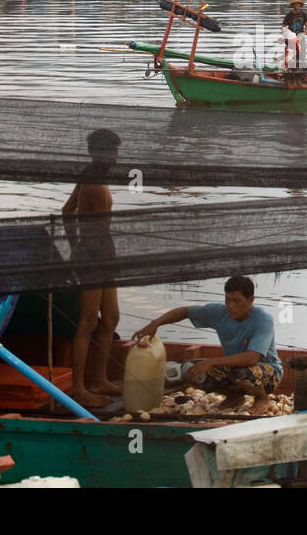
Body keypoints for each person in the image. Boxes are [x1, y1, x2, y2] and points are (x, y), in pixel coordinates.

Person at [132, 276, 282, 415]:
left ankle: (262, 398)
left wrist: (211, 362)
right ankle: (234, 396)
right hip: (235, 369)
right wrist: (155, 324)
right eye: (227, 300)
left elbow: (251, 358)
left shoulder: (263, 319)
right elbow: (184, 312)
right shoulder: (219, 312)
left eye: (236, 301)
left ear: (251, 300)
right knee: (188, 369)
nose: (230, 306)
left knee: (241, 372)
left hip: (268, 373)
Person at [63, 128, 123, 408]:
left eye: (115, 150)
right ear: (97, 153)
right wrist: (79, 250)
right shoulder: (94, 184)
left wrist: (75, 246)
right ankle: (78, 388)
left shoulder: (92, 174)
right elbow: (74, 215)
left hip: (102, 254)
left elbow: (68, 211)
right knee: (88, 320)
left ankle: (99, 379)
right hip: (93, 257)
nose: (115, 156)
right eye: (110, 151)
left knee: (111, 318)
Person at [281, 0, 307, 68]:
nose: (296, 5)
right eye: (295, 4)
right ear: (293, 5)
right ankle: (292, 74)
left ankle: (301, 74)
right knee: (292, 59)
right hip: (291, 40)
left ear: (300, 4)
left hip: (301, 39)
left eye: (298, 3)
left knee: (302, 58)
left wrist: (302, 34)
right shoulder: (289, 15)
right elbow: (283, 27)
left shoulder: (304, 15)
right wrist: (287, 34)